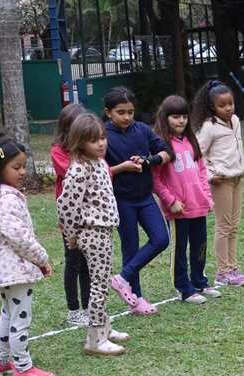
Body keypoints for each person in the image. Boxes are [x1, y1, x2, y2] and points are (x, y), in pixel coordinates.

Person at [0, 138, 54, 376]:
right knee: (20, 318)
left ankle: (1, 362)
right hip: (14, 270)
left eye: (23, 166)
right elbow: (20, 238)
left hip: (4, 270)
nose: (22, 172)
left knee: (8, 314)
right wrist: (42, 258)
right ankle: (22, 367)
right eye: (16, 167)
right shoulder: (7, 199)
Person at [58, 113, 130, 355]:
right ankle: (95, 339)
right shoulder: (79, 170)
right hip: (92, 232)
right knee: (99, 284)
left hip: (104, 231)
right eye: (93, 140)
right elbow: (66, 206)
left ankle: (104, 328)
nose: (101, 144)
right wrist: (72, 235)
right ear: (79, 142)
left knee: (102, 280)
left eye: (102, 138)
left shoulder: (99, 163)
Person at [102, 86, 172, 315]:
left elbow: (166, 153)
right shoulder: (102, 135)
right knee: (130, 248)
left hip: (145, 198)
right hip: (122, 200)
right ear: (108, 112)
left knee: (161, 238)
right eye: (120, 112)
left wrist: (147, 160)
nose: (126, 117)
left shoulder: (141, 129)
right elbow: (99, 171)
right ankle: (136, 300)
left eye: (130, 111)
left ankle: (122, 278)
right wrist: (123, 167)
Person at [152, 95, 220, 304]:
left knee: (199, 245)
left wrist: (206, 197)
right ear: (165, 117)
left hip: (198, 205)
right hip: (178, 210)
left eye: (184, 116)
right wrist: (170, 200)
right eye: (175, 116)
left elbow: (201, 170)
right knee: (179, 249)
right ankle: (183, 288)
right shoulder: (159, 145)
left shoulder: (191, 141)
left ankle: (199, 281)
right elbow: (155, 179)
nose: (181, 121)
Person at [193, 81, 244, 287]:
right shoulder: (209, 127)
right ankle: (222, 272)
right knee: (224, 226)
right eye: (222, 105)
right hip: (221, 181)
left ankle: (233, 267)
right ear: (212, 107)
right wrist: (210, 175)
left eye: (230, 103)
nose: (228, 108)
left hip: (237, 178)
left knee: (234, 226)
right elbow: (196, 155)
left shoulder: (235, 120)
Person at [51, 103, 92, 326]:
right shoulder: (58, 151)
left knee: (87, 263)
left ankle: (87, 307)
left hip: (89, 215)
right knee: (73, 262)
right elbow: (76, 174)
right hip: (70, 217)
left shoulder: (87, 151)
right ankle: (73, 310)